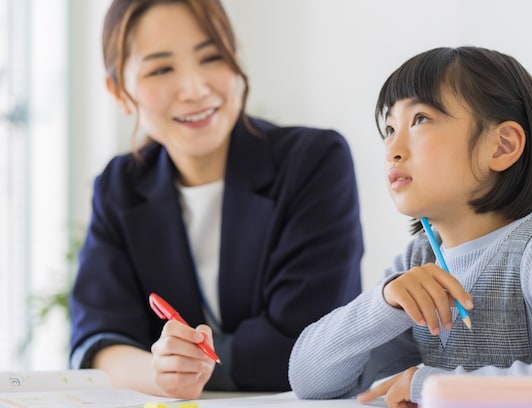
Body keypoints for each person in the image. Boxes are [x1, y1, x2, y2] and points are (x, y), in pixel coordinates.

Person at [288, 46, 532, 407]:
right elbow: (308, 379)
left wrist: (431, 386)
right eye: (389, 128)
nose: (392, 149)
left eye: (420, 119)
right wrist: (385, 303)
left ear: (501, 146)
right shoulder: (420, 260)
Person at [69, 0, 363, 400]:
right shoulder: (120, 186)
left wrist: (192, 364)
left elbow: (304, 345)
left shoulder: (313, 161)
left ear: (235, 57)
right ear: (120, 92)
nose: (194, 89)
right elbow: (98, 342)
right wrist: (163, 374)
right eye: (161, 69)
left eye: (211, 57)